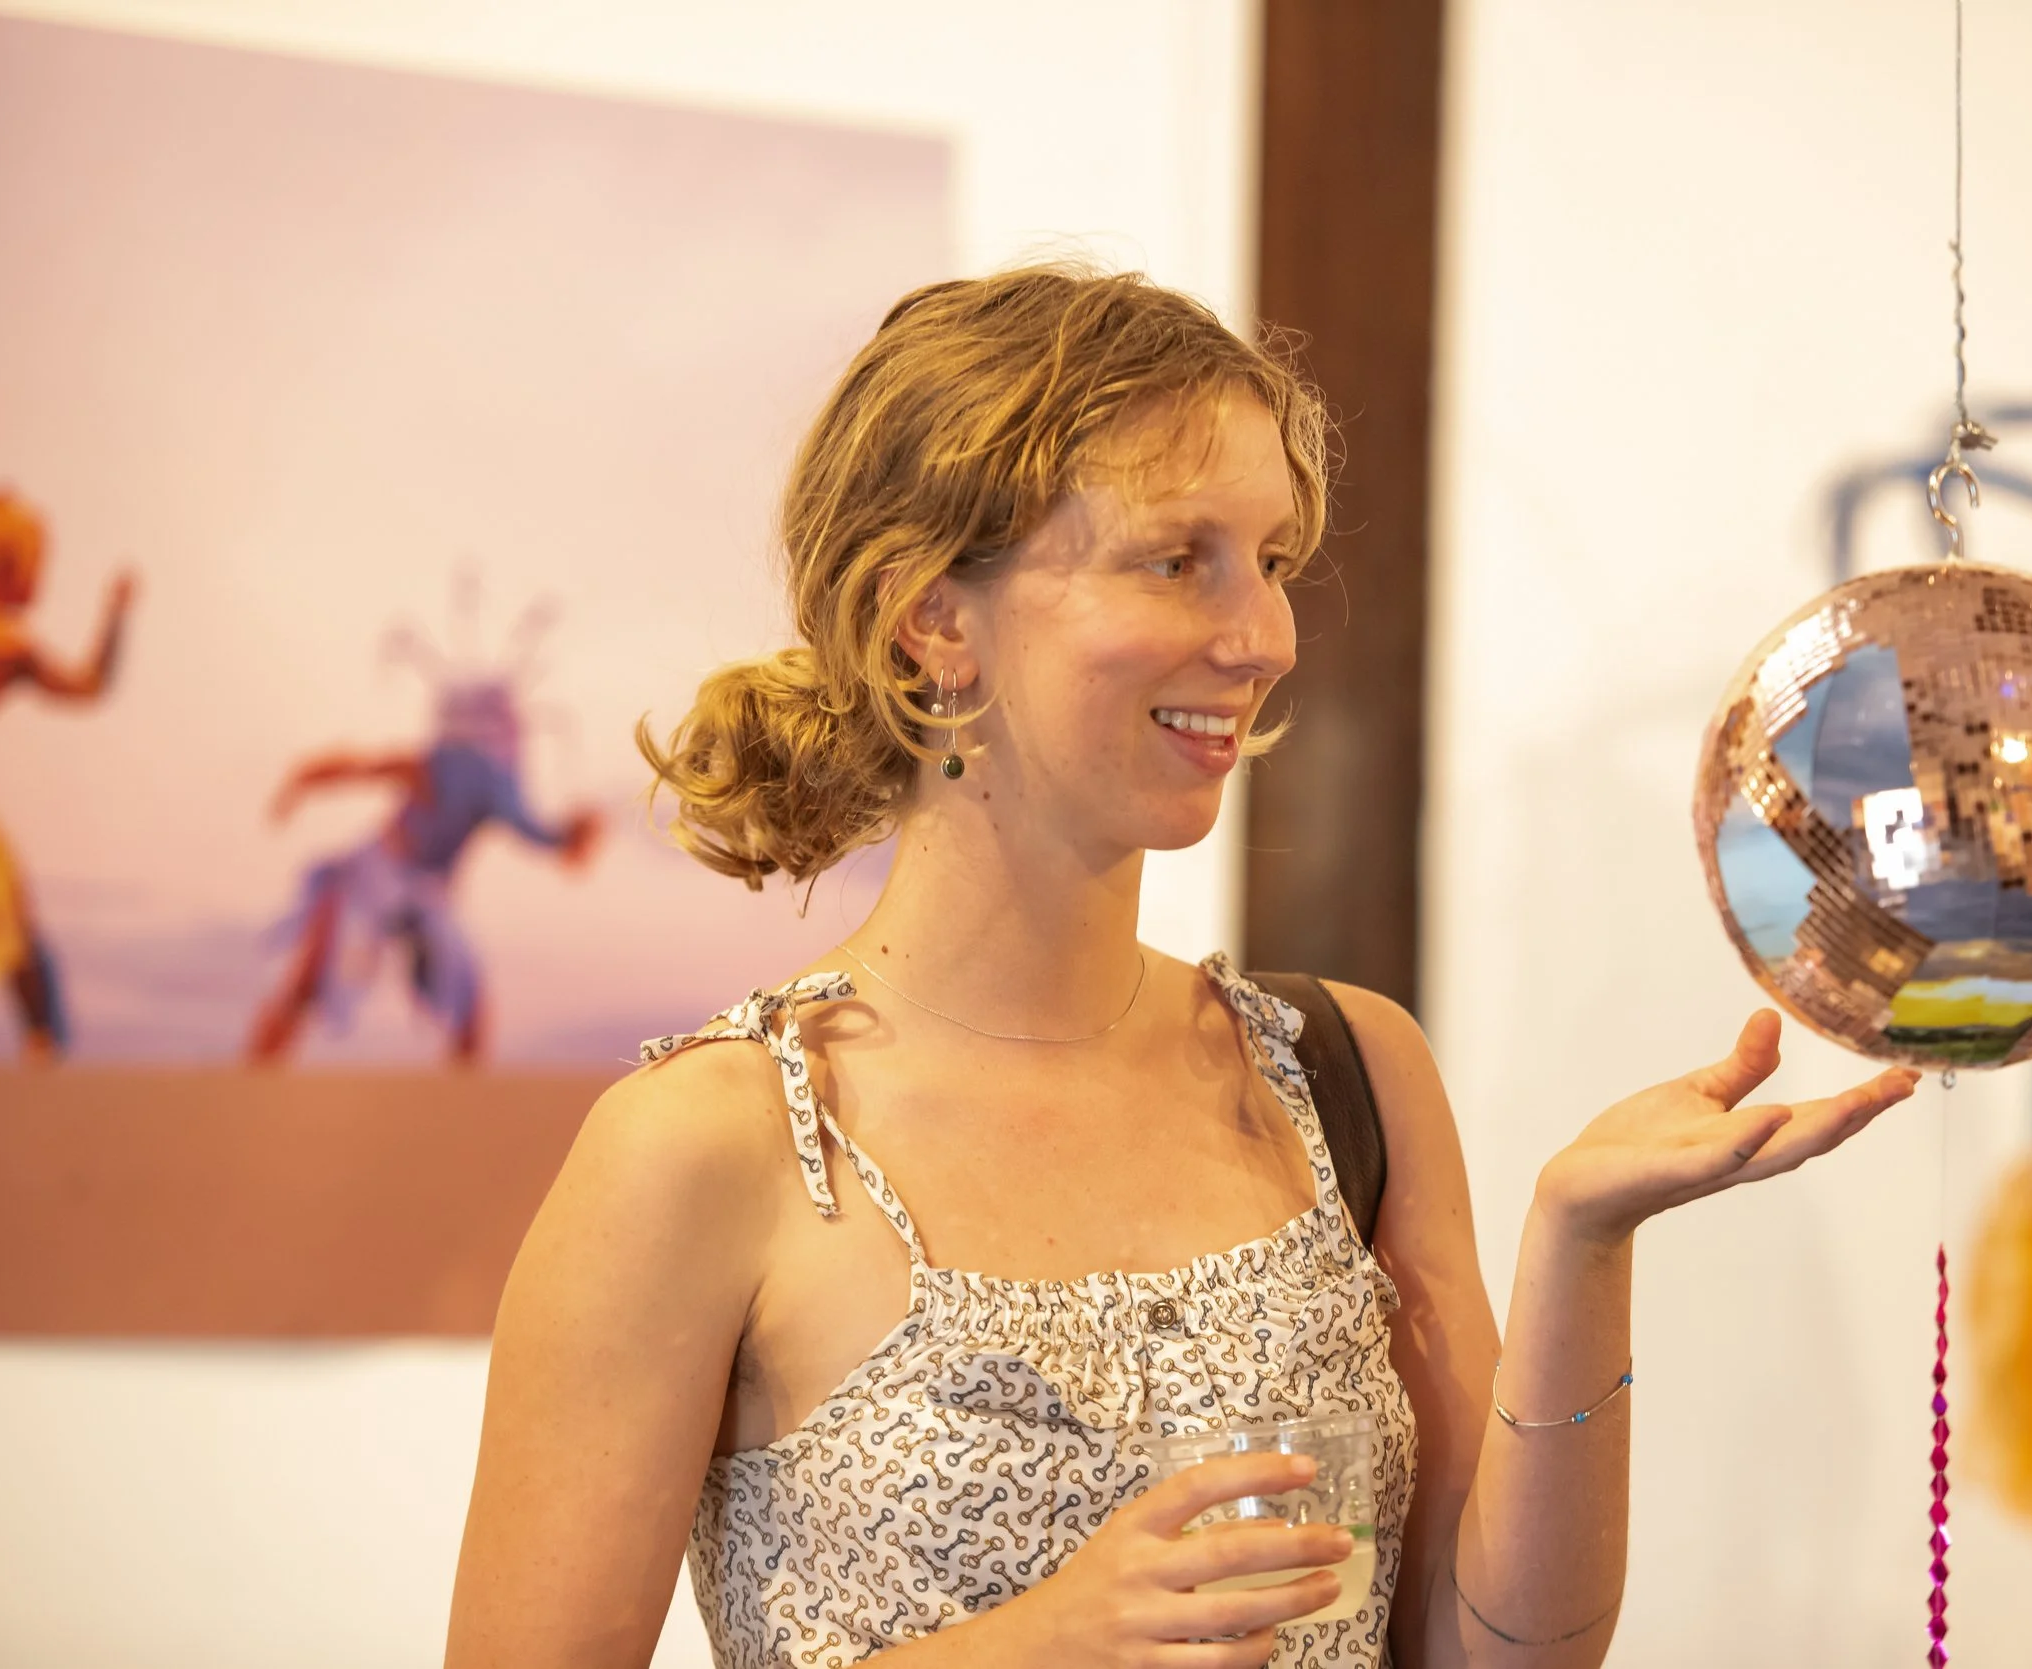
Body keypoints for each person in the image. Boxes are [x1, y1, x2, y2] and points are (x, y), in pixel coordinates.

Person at [445, 266, 1917, 1669]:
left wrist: (1581, 1246)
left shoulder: (1343, 1073)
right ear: (936, 618)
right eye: (1179, 562)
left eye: (1271, 563)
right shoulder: (713, 1146)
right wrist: (1027, 1646)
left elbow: (1490, 1652)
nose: (1266, 635)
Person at [247, 675, 602, 1064]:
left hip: (428, 891)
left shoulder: (492, 783)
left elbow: (535, 831)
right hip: (373, 875)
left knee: (466, 990)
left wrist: (571, 837)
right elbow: (362, 767)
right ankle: (256, 1074)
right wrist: (301, 783)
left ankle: (465, 1105)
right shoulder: (440, 766)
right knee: (315, 972)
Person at [0, 489, 133, 1060]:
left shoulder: (8, 645)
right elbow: (90, 687)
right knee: (13, 922)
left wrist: (117, 616)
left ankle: (44, 1045)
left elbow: (88, 688)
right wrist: (117, 614)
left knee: (12, 920)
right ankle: (44, 1045)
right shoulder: (6, 647)